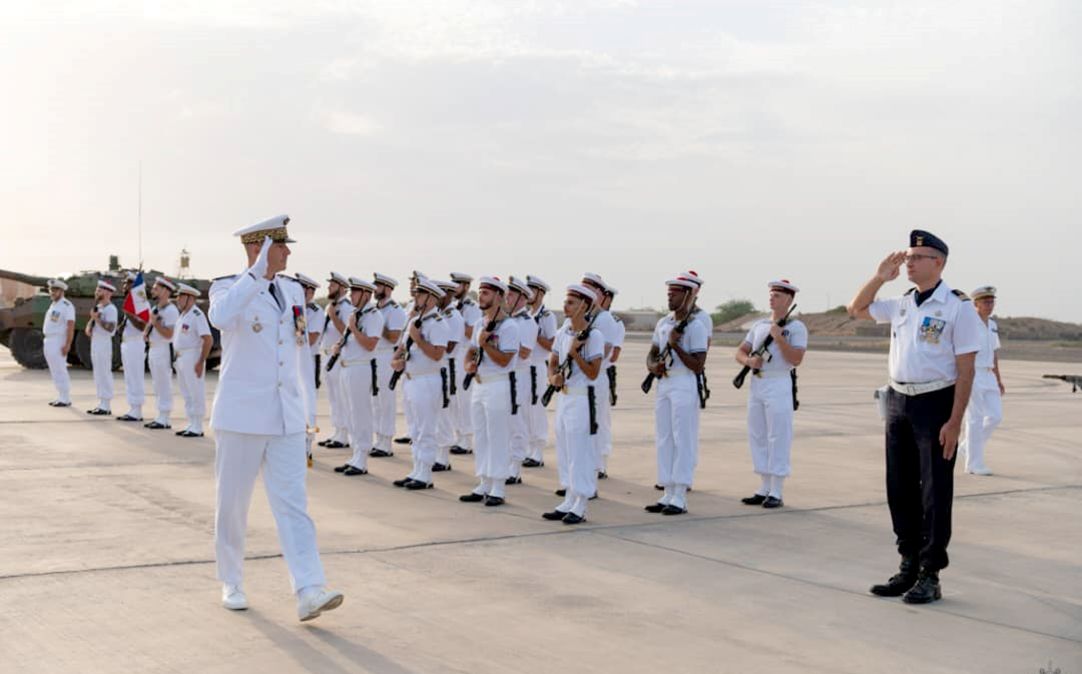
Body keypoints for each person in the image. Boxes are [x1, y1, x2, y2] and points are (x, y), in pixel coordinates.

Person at [208, 214, 343, 621]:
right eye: (280, 245)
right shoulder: (228, 287)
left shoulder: (293, 292)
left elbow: (298, 355)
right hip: (241, 416)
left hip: (285, 417)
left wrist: (305, 417)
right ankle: (231, 580)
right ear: (259, 248)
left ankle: (309, 588)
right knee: (232, 504)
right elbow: (219, 318)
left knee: (294, 505)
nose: (287, 252)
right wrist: (256, 274)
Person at [847, 229, 982, 605]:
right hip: (898, 401)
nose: (908, 262)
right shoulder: (902, 303)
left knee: (934, 491)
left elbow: (966, 368)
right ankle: (907, 562)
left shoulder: (958, 306)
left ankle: (930, 572)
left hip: (935, 404)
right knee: (899, 485)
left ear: (938, 262)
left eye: (917, 257)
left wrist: (955, 422)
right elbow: (855, 310)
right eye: (907, 256)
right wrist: (878, 277)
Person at [735, 280, 807, 508]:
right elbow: (740, 351)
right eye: (771, 294)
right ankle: (763, 485)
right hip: (757, 383)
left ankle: (776, 489)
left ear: (788, 299)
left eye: (777, 295)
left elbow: (796, 359)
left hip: (778, 382)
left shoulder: (796, 328)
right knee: (758, 434)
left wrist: (779, 337)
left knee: (778, 435)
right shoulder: (759, 325)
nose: (772, 298)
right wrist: (748, 361)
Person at [644, 277, 708, 516]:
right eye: (668, 292)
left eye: (675, 293)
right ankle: (667, 490)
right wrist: (653, 367)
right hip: (664, 382)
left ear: (689, 295)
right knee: (664, 437)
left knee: (683, 437)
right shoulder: (663, 322)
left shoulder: (696, 326)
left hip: (683, 382)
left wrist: (676, 346)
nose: (669, 296)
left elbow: (698, 365)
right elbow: (652, 353)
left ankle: (680, 493)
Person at [543, 284, 604, 525]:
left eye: (571, 302)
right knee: (565, 449)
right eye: (566, 301)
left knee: (581, 452)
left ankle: (581, 503)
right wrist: (552, 377)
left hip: (582, 397)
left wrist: (576, 353)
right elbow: (553, 361)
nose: (565, 306)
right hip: (565, 397)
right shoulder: (563, 332)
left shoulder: (594, 335)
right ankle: (568, 498)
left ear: (584, 306)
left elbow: (593, 373)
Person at [459, 276, 519, 507]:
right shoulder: (479, 324)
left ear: (499, 297)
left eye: (486, 293)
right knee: (481, 435)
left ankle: (498, 487)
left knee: (497, 435)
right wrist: (468, 365)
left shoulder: (509, 326)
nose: (480, 297)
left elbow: (505, 360)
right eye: (480, 292)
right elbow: (470, 351)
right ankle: (483, 481)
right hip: (479, 383)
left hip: (498, 384)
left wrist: (486, 345)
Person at [391, 278, 450, 490]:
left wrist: (418, 339)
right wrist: (397, 359)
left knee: (426, 429)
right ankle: (416, 469)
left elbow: (437, 354)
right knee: (414, 429)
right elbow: (400, 347)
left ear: (432, 298)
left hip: (427, 380)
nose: (416, 297)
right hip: (410, 379)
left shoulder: (438, 323)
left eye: (421, 294)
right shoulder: (415, 321)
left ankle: (425, 474)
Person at [332, 277, 383, 476]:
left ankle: (362, 457)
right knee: (350, 412)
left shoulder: (373, 316)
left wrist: (353, 328)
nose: (351, 295)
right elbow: (350, 339)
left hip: (361, 369)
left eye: (355, 292)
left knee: (360, 412)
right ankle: (355, 454)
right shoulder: (355, 314)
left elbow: (370, 344)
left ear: (365, 294)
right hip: (347, 368)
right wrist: (339, 346)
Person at [958, 285, 1004, 476]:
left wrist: (998, 378)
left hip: (988, 374)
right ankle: (973, 464)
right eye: (985, 301)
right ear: (975, 304)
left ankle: (966, 447)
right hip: (972, 374)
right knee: (974, 419)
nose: (990, 305)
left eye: (992, 301)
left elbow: (993, 353)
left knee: (995, 416)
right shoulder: (968, 323)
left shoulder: (992, 325)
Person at [580, 273, 619, 479]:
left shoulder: (605, 319)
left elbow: (603, 351)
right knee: (582, 425)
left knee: (596, 423)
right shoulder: (582, 318)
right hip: (580, 378)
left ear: (599, 293)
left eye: (589, 288)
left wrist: (577, 350)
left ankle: (596, 467)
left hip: (596, 377)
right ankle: (584, 468)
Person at [370, 273, 407, 458]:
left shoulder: (396, 311)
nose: (375, 290)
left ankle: (386, 442)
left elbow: (393, 337)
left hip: (386, 356)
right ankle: (378, 439)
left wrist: (376, 324)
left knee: (386, 401)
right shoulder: (374, 309)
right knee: (375, 401)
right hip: (373, 356)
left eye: (378, 286)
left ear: (388, 288)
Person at [505, 276, 537, 485]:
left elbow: (524, 352)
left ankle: (515, 468)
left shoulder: (527, 322)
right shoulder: (507, 321)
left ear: (523, 299)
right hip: (504, 376)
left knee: (517, 422)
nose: (507, 298)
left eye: (512, 295)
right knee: (504, 423)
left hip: (518, 375)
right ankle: (506, 463)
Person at [172, 283, 213, 438]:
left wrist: (201, 361)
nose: (177, 300)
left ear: (189, 298)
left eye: (180, 297)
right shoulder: (183, 315)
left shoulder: (197, 315)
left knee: (195, 392)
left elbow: (207, 339)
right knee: (187, 392)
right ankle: (191, 423)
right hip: (181, 357)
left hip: (192, 356)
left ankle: (197, 426)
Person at [317, 272, 352, 449]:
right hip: (327, 355)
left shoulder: (346, 307)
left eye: (332, 285)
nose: (329, 288)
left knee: (341, 397)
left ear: (341, 287)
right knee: (333, 397)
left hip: (339, 357)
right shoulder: (331, 306)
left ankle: (344, 435)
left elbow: (347, 332)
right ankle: (337, 431)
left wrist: (333, 316)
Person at [525, 275, 557, 468]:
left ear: (540, 293)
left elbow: (551, 344)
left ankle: (537, 451)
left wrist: (534, 333)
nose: (529, 294)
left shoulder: (547, 316)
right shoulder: (526, 315)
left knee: (536, 409)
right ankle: (528, 448)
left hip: (538, 365)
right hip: (524, 366)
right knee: (524, 409)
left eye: (532, 290)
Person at [449, 272, 482, 455]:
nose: (455, 288)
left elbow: (472, 333)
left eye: (458, 285)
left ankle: (467, 439)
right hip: (453, 354)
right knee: (453, 398)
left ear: (466, 287)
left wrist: (458, 320)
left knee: (464, 398)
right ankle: (458, 434)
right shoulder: (454, 306)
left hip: (464, 352)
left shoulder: (472, 307)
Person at [434, 279, 465, 472]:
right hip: (435, 365)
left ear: (448, 294)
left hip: (447, 366)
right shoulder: (437, 315)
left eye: (439, 293)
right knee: (436, 412)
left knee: (444, 410)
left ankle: (443, 457)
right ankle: (436, 452)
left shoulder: (453, 317)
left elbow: (450, 345)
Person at [294, 272, 323, 464]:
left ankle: (307, 444)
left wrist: (297, 329)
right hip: (293, 361)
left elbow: (308, 338)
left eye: (302, 289)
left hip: (308, 360)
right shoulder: (295, 310)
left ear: (310, 292)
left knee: (308, 405)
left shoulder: (314, 312)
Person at [143, 277, 179, 430]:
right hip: (153, 348)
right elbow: (150, 326)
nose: (153, 291)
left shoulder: (171, 311)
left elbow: (169, 334)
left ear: (165, 291)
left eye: (156, 289)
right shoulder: (156, 308)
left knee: (164, 383)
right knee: (157, 384)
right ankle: (160, 415)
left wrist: (156, 323)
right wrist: (146, 331)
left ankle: (165, 417)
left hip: (163, 349)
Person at [116, 272, 148, 422]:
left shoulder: (141, 303)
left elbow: (142, 326)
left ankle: (137, 409)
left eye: (128, 283)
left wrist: (128, 314)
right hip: (127, 343)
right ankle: (132, 408)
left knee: (135, 377)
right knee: (129, 377)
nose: (124, 286)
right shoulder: (130, 304)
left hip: (135, 343)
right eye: (124, 283)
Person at [85, 279, 118, 415]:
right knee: (98, 373)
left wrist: (97, 319)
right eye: (97, 290)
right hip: (95, 342)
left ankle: (106, 404)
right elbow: (89, 329)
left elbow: (110, 329)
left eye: (100, 290)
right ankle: (101, 402)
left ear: (108, 292)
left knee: (104, 372)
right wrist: (92, 320)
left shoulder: (111, 309)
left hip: (104, 343)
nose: (96, 292)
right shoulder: (98, 308)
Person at [42, 279, 75, 407]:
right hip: (49, 340)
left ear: (61, 291)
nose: (52, 292)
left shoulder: (66, 305)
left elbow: (70, 326)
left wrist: (67, 344)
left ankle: (65, 397)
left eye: (55, 290)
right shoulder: (54, 305)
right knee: (54, 369)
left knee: (60, 368)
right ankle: (61, 395)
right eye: (51, 290)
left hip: (58, 340)